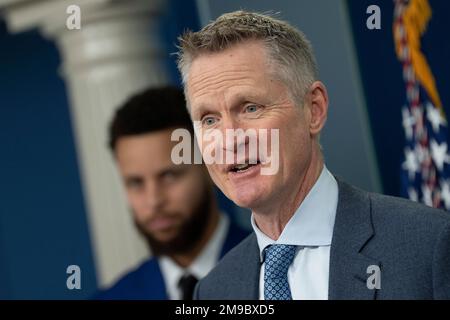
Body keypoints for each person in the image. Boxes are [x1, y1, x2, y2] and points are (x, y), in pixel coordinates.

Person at [176, 11, 450, 299]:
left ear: (314, 109)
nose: (229, 139)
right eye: (209, 120)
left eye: (250, 108)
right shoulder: (212, 292)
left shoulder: (429, 246)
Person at [94, 86, 249, 300]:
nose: (154, 201)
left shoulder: (278, 273)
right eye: (136, 183)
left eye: (169, 176)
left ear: (210, 165)